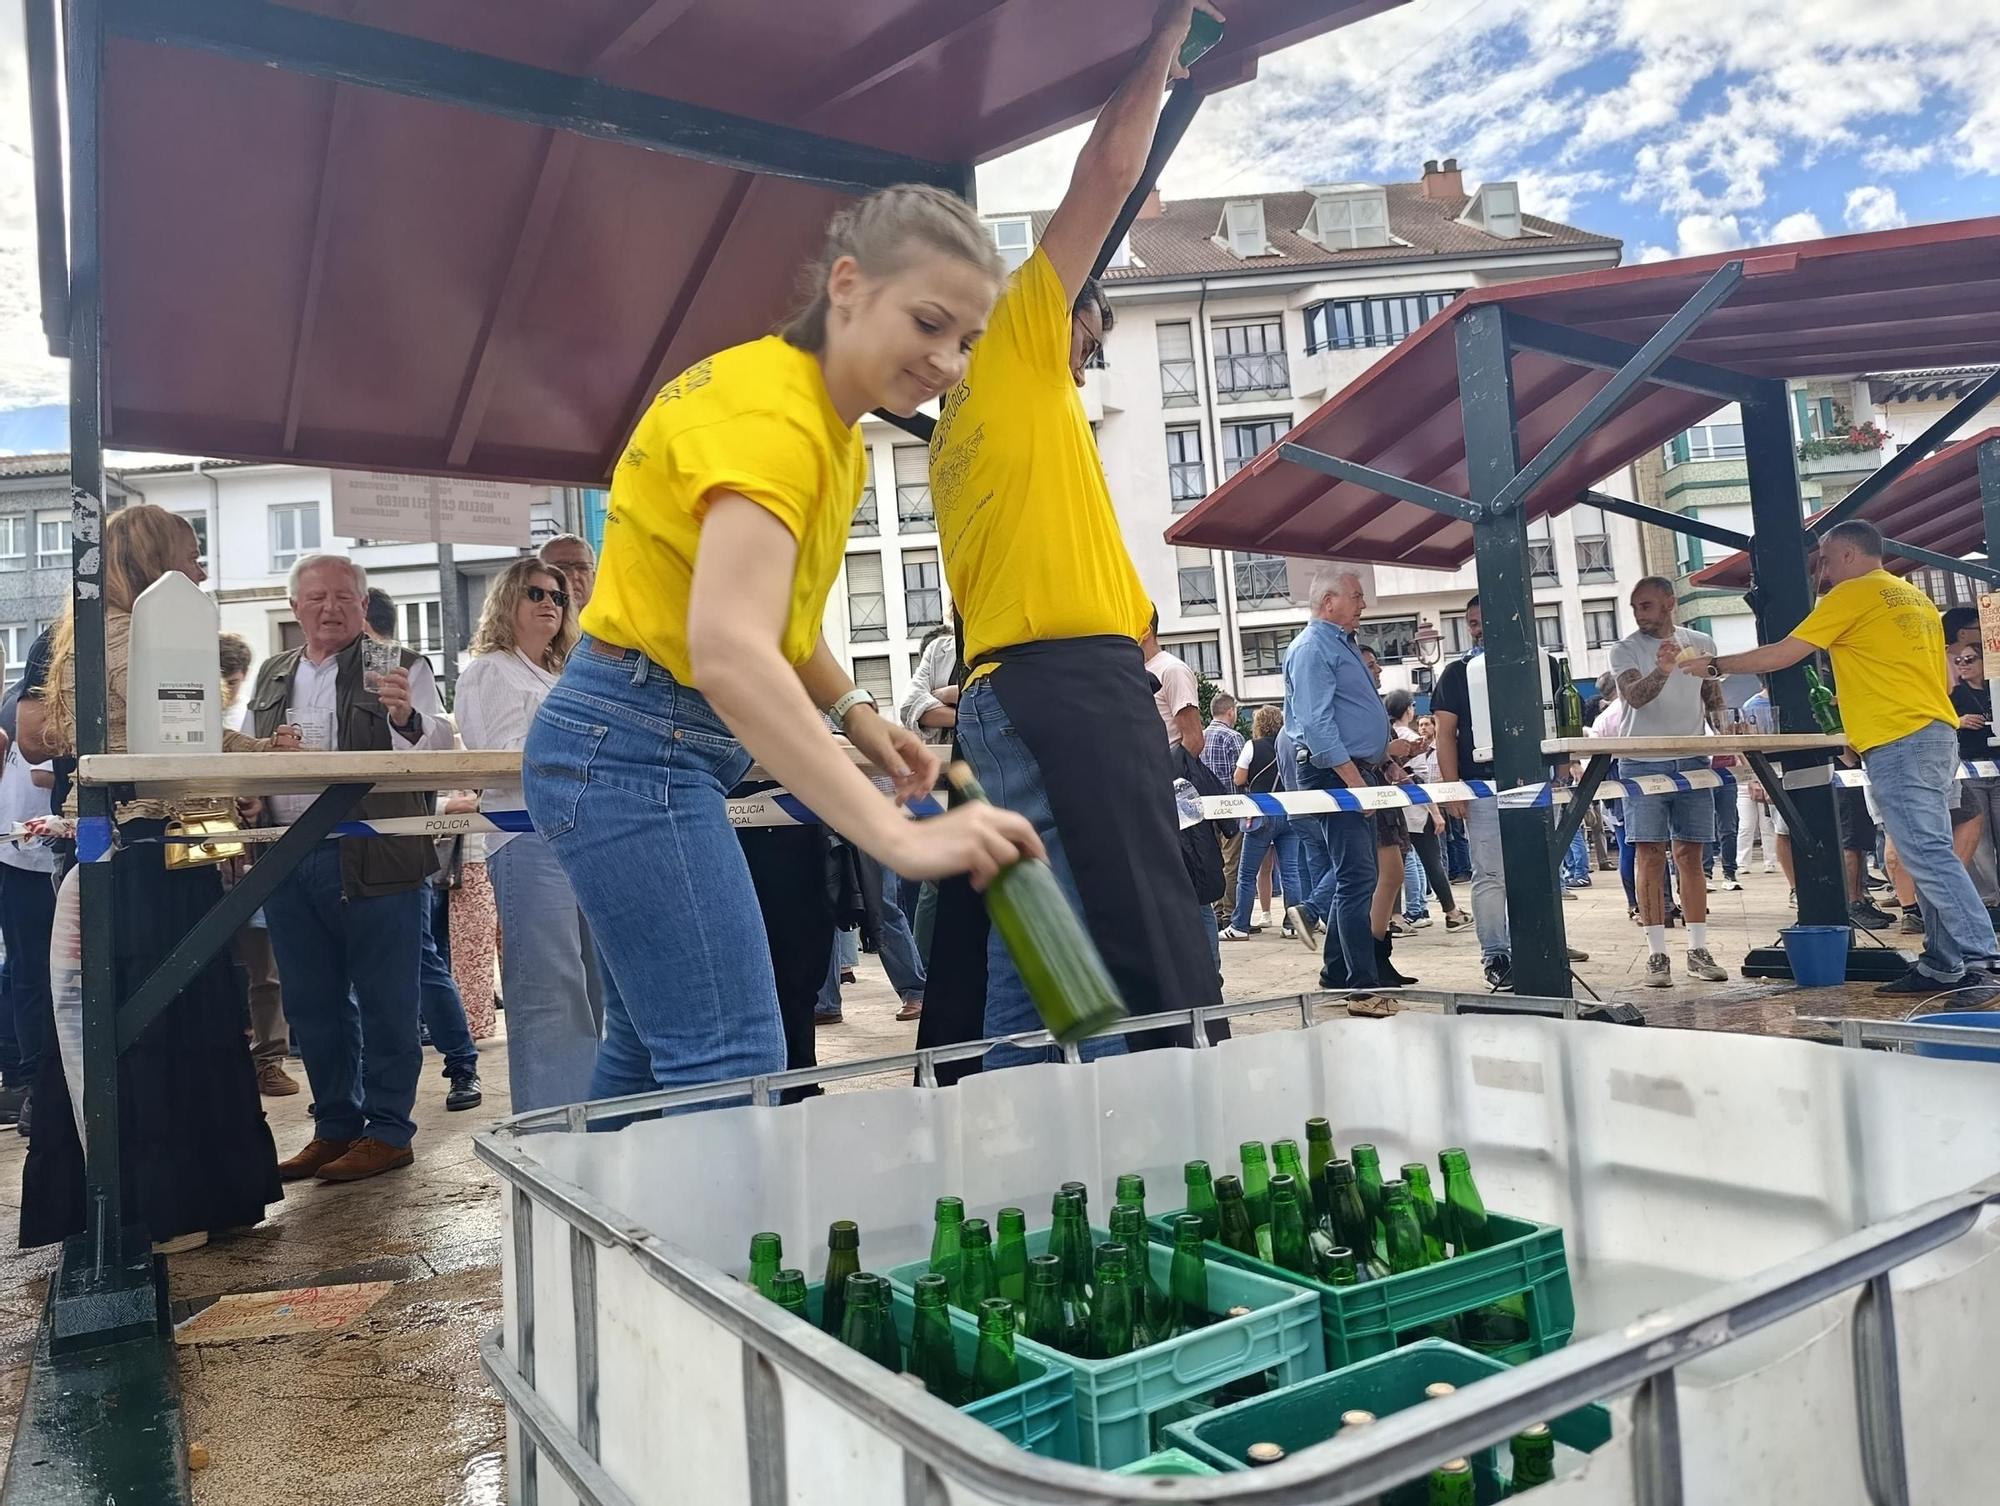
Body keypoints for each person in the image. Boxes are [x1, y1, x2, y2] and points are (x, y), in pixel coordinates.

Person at [523, 184, 1039, 1102]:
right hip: (635, 748)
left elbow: (767, 622)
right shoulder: (780, 425)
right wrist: (896, 835)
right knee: (733, 1063)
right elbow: (728, 653)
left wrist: (856, 713)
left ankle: (587, 1245)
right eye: (929, 321)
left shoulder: (809, 415)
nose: (950, 363)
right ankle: (682, 1249)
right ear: (847, 284)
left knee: (654, 1062)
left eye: (966, 340)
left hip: (634, 742)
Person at [927, 1, 1226, 1067]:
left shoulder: (951, 434)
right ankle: (1140, 1164)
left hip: (1002, 693)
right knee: (1134, 951)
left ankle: (1026, 1170)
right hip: (1065, 687)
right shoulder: (1012, 340)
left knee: (1035, 962)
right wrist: (1163, 52)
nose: (1082, 361)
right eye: (1084, 339)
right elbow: (1105, 178)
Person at [21, 506, 296, 1251]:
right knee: (165, 1019)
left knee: (147, 1020)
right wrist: (260, 753)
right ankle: (169, 1204)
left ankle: (172, 1198)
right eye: (190, 554)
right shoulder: (137, 636)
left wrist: (256, 748)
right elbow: (180, 734)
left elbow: (173, 727)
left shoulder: (93, 635)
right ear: (154, 561)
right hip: (152, 846)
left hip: (130, 846)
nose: (202, 569)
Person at [1681, 520, 2000, 992]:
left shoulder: (1850, 596)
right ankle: (1942, 961)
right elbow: (1946, 681)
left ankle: (1984, 959)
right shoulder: (1914, 598)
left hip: (1898, 739)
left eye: (1826, 559)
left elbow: (1785, 654)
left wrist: (1713, 666)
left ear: (1849, 555)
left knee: (1927, 853)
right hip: (1935, 734)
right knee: (1928, 850)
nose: (1823, 570)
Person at [246, 552, 457, 1182]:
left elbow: (441, 747)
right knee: (312, 1004)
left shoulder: (401, 665)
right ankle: (335, 1126)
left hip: (376, 854)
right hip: (290, 853)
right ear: (295, 607)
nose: (329, 608)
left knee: (388, 999)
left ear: (364, 606)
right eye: (316, 598)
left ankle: (390, 1130)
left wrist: (404, 718)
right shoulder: (271, 673)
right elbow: (258, 756)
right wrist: (252, 789)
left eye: (343, 597)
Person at [456, 557, 602, 1113]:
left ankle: (594, 1115)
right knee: (550, 985)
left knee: (593, 984)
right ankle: (554, 1130)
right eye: (535, 593)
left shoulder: (564, 671)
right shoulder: (491, 670)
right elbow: (503, 758)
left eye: (559, 596)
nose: (550, 603)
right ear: (507, 602)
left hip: (584, 831)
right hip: (528, 833)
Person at [1430, 595, 1586, 991]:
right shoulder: (1455, 673)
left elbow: (1559, 721)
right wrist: (1452, 788)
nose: (1478, 628)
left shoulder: (1546, 665)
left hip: (1536, 783)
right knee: (1490, 874)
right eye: (1471, 622)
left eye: (1484, 620)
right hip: (1480, 785)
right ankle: (1496, 955)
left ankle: (1540, 945)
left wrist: (1562, 768)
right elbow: (1445, 733)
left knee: (1539, 869)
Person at [1280, 568, 1393, 1009]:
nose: (1363, 603)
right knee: (1357, 877)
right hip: (1336, 774)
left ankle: (1336, 972)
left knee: (1354, 875)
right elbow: (1317, 724)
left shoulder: (1334, 644)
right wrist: (1354, 782)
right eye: (1357, 595)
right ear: (1330, 602)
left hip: (1352, 770)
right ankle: (1364, 988)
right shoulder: (1312, 648)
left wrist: (1381, 762)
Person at [1610, 576, 1729, 988]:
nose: (1640, 614)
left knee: (1691, 855)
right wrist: (1662, 671)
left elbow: (1712, 696)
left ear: (1669, 604)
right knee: (1649, 855)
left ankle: (1698, 948)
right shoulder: (1624, 649)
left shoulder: (1700, 641)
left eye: (1646, 605)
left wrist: (1727, 731)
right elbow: (1634, 697)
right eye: (1635, 607)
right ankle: (1657, 953)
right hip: (1641, 759)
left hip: (1693, 755)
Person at [219, 631, 297, 1098]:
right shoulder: (201, 721)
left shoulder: (242, 727)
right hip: (205, 862)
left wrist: (251, 802)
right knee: (233, 969)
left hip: (244, 860)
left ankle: (269, 1059)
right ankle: (234, 1059)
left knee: (264, 969)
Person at [1221, 706, 1299, 940]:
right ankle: (1292, 924)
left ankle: (1240, 925)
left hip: (1260, 814)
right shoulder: (1290, 745)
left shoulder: (1252, 746)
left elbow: (1239, 777)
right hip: (1288, 811)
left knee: (1247, 874)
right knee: (1291, 873)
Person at [1201, 690, 1245, 924]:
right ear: (1231, 711)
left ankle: (1216, 909)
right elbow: (1240, 777)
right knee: (1231, 862)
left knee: (1215, 859)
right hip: (1232, 807)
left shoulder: (1201, 736)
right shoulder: (1233, 737)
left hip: (1207, 809)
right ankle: (1229, 913)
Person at [1735, 677, 1781, 876]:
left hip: (1774, 765)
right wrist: (1751, 777)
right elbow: (1742, 745)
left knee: (1768, 823)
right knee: (1746, 824)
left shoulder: (1776, 705)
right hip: (1752, 768)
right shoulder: (1751, 706)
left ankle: (1771, 862)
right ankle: (1742, 863)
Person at [1142, 609, 1203, 756]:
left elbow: (1194, 739)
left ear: (1146, 631)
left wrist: (1167, 775)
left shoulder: (1172, 670)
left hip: (1163, 774)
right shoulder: (1138, 671)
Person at [539, 533, 598, 612]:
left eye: (582, 568)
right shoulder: (525, 622)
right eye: (561, 568)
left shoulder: (612, 621)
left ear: (593, 577)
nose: (574, 576)